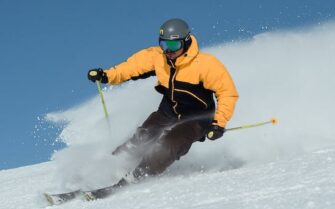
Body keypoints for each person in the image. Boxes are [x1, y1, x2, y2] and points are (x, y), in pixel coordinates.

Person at [87, 18, 239, 186]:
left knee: (169, 143)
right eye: (164, 45)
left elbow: (227, 93)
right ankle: (108, 168)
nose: (168, 51)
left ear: (186, 41)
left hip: (198, 119)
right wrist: (107, 75)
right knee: (142, 137)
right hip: (168, 112)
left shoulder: (205, 64)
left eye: (173, 46)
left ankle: (138, 176)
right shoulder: (159, 58)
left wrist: (219, 123)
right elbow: (132, 67)